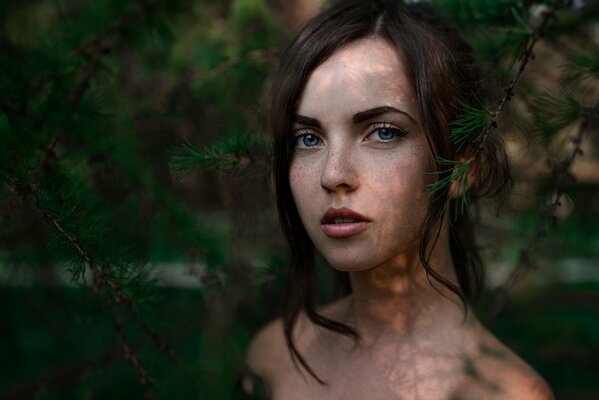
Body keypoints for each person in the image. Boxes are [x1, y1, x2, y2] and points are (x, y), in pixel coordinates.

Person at [245, 1, 555, 398]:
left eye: (384, 132)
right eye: (307, 138)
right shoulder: (273, 358)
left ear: (465, 164)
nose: (333, 174)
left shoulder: (500, 393)